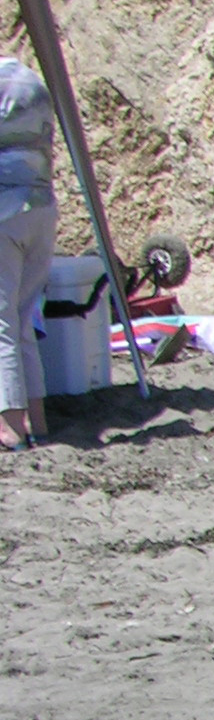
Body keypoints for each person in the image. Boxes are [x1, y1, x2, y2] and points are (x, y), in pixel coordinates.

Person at [0, 57, 57, 449]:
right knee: (23, 322)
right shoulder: (28, 79)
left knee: (0, 324)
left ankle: (8, 428)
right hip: (42, 208)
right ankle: (36, 421)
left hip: (5, 211)